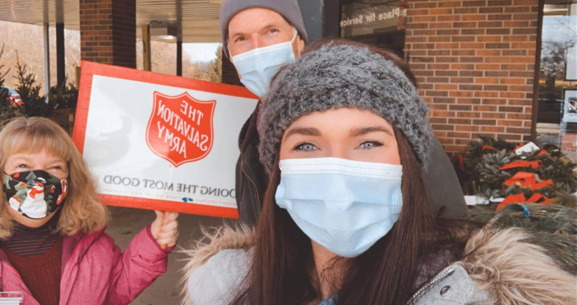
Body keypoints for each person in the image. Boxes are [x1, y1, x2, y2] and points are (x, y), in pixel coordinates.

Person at [183, 41, 576, 304]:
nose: (339, 169)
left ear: (407, 163)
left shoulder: (475, 293)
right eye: (306, 144)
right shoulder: (220, 287)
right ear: (278, 174)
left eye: (368, 142)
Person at [222, 0, 468, 226]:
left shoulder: (371, 102)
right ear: (231, 56)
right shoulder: (249, 144)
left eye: (271, 31)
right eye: (241, 39)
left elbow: (448, 217)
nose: (257, 49)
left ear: (298, 41)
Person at [0, 117, 179, 305]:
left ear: (70, 180)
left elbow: (113, 292)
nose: (39, 179)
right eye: (23, 165)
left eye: (54, 167)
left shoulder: (92, 248)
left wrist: (153, 244)